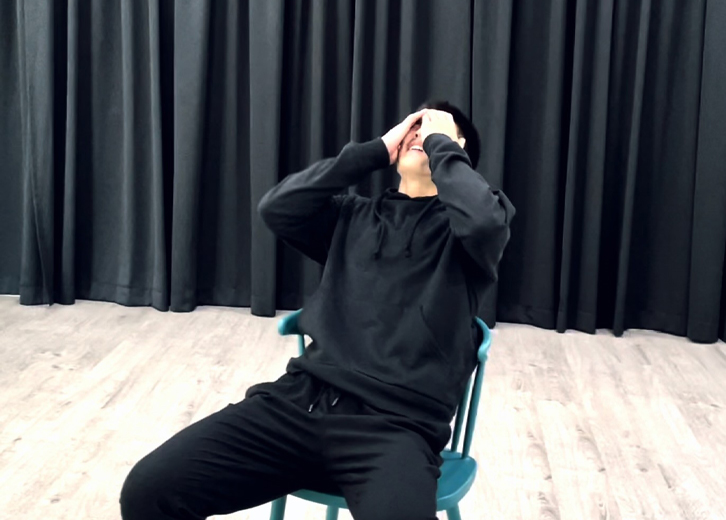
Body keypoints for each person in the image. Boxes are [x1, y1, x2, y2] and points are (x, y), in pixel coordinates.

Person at [119, 101, 515, 520]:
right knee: (148, 492)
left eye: (435, 129)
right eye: (414, 127)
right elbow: (277, 207)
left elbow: (483, 222)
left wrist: (440, 143)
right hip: (297, 404)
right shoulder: (353, 216)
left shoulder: (474, 230)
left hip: (395, 428)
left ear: (457, 152)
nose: (420, 133)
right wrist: (375, 150)